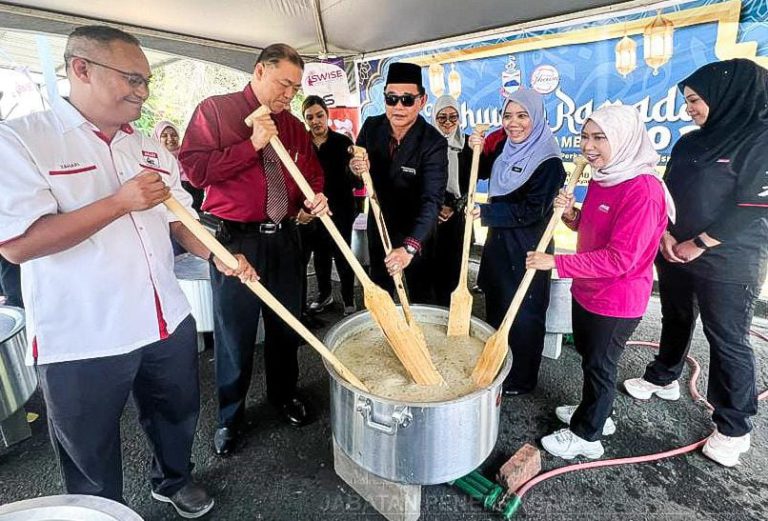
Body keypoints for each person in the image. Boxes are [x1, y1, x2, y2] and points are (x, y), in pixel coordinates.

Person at [0, 25, 257, 518]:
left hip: (164, 317)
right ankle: (99, 510)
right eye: (132, 79)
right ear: (81, 69)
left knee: (176, 411)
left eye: (146, 82)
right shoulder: (23, 140)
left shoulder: (149, 147)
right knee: (88, 441)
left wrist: (217, 255)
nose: (142, 92)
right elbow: (18, 245)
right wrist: (119, 203)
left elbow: (181, 221)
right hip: (83, 331)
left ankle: (173, 479)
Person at [180, 43, 329, 456]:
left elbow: (312, 175)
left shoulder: (293, 126)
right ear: (260, 71)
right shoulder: (216, 111)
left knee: (286, 324)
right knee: (235, 332)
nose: (289, 95)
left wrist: (313, 199)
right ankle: (230, 416)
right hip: (235, 239)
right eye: (284, 84)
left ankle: (284, 394)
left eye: (296, 88)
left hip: (285, 237)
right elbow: (194, 171)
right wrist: (252, 145)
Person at [623, 59, 768, 467]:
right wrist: (665, 234)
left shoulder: (759, 139)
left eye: (695, 100)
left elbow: (754, 207)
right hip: (675, 249)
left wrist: (701, 243)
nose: (689, 109)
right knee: (676, 315)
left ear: (728, 97)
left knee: (726, 337)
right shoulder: (690, 143)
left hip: (730, 259)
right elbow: (667, 193)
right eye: (687, 101)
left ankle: (734, 425)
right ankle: (664, 375)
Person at [526, 105, 673, 459]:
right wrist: (571, 215)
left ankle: (587, 435)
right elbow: (593, 228)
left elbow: (621, 259)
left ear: (622, 139)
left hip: (617, 300)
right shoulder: (605, 175)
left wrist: (556, 262)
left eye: (599, 138)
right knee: (591, 360)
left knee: (600, 367)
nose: (588, 147)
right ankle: (594, 411)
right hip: (588, 290)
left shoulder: (643, 190)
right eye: (584, 137)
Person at [469, 88, 566, 396]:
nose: (514, 123)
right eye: (508, 116)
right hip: (499, 242)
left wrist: (486, 211)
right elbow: (481, 170)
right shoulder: (504, 147)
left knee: (524, 314)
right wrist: (475, 149)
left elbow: (532, 210)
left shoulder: (549, 162)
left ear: (537, 117)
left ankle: (521, 378)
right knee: (497, 304)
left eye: (522, 116)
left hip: (529, 247)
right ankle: (498, 363)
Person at [350, 62, 447, 304]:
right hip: (379, 224)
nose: (398, 107)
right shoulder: (372, 127)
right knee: (380, 294)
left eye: (407, 100)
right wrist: (354, 168)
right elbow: (353, 171)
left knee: (420, 298)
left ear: (422, 101)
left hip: (416, 232)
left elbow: (432, 201)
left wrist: (409, 248)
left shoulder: (433, 142)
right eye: (391, 99)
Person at [302, 95, 359, 315]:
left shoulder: (343, 142)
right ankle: (324, 295)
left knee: (343, 253)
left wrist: (354, 171)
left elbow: (356, 180)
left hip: (341, 209)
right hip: (313, 210)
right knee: (320, 255)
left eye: (319, 115)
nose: (315, 121)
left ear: (327, 115)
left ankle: (348, 299)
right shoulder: (302, 145)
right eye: (310, 117)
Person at [430, 95, 472, 307]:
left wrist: (454, 207)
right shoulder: (424, 143)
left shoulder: (467, 146)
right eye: (442, 117)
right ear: (434, 117)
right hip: (430, 217)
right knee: (429, 270)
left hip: (455, 217)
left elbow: (471, 182)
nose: (448, 122)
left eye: (453, 117)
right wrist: (436, 207)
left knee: (453, 267)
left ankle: (450, 311)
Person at [152, 120, 205, 211]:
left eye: (174, 135)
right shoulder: (153, 159)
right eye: (164, 135)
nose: (170, 139)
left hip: (193, 198)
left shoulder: (189, 154)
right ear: (157, 138)